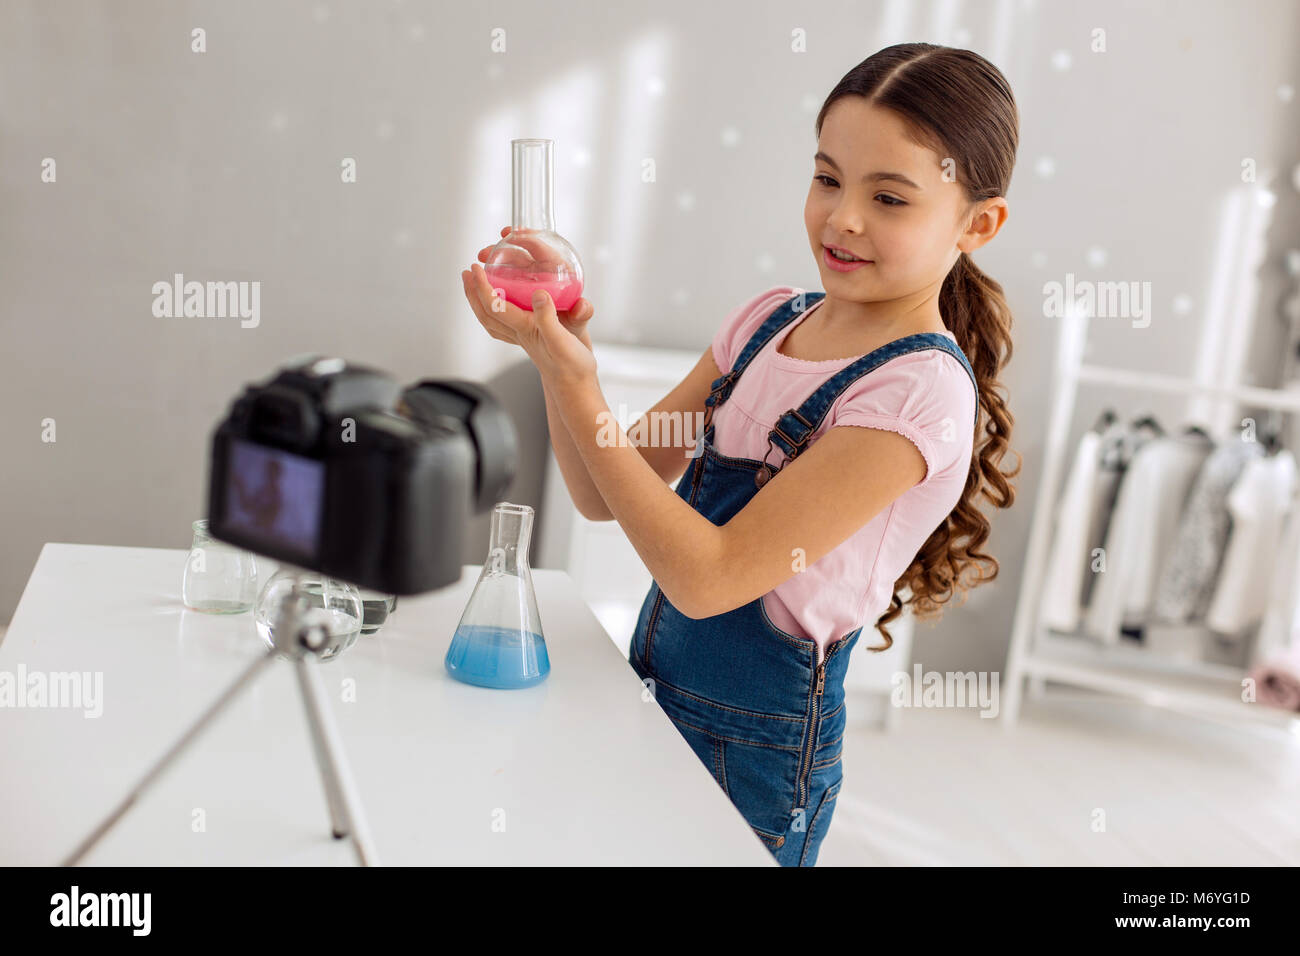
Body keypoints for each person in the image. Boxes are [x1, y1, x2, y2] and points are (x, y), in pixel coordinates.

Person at [461, 41, 1020, 866]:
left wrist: (581, 388)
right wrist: (558, 357)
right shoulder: (766, 323)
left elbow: (708, 576)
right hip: (652, 690)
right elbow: (603, 490)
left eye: (890, 198)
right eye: (827, 178)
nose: (844, 218)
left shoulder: (916, 392)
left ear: (978, 223)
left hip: (754, 752)